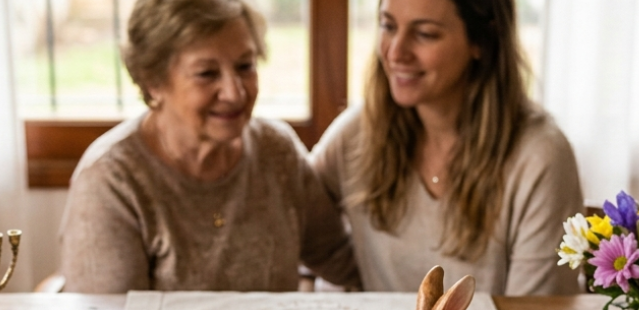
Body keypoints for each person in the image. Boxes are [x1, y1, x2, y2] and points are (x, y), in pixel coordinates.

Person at [59, 0, 359, 293]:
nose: (234, 92)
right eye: (207, 73)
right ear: (153, 82)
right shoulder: (111, 179)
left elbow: (339, 258)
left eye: (245, 66)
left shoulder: (276, 150)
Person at [311, 0, 581, 294]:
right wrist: (353, 279)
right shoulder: (356, 133)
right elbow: (296, 220)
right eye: (388, 26)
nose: (395, 52)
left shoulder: (541, 157)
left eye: (425, 34)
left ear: (481, 41)